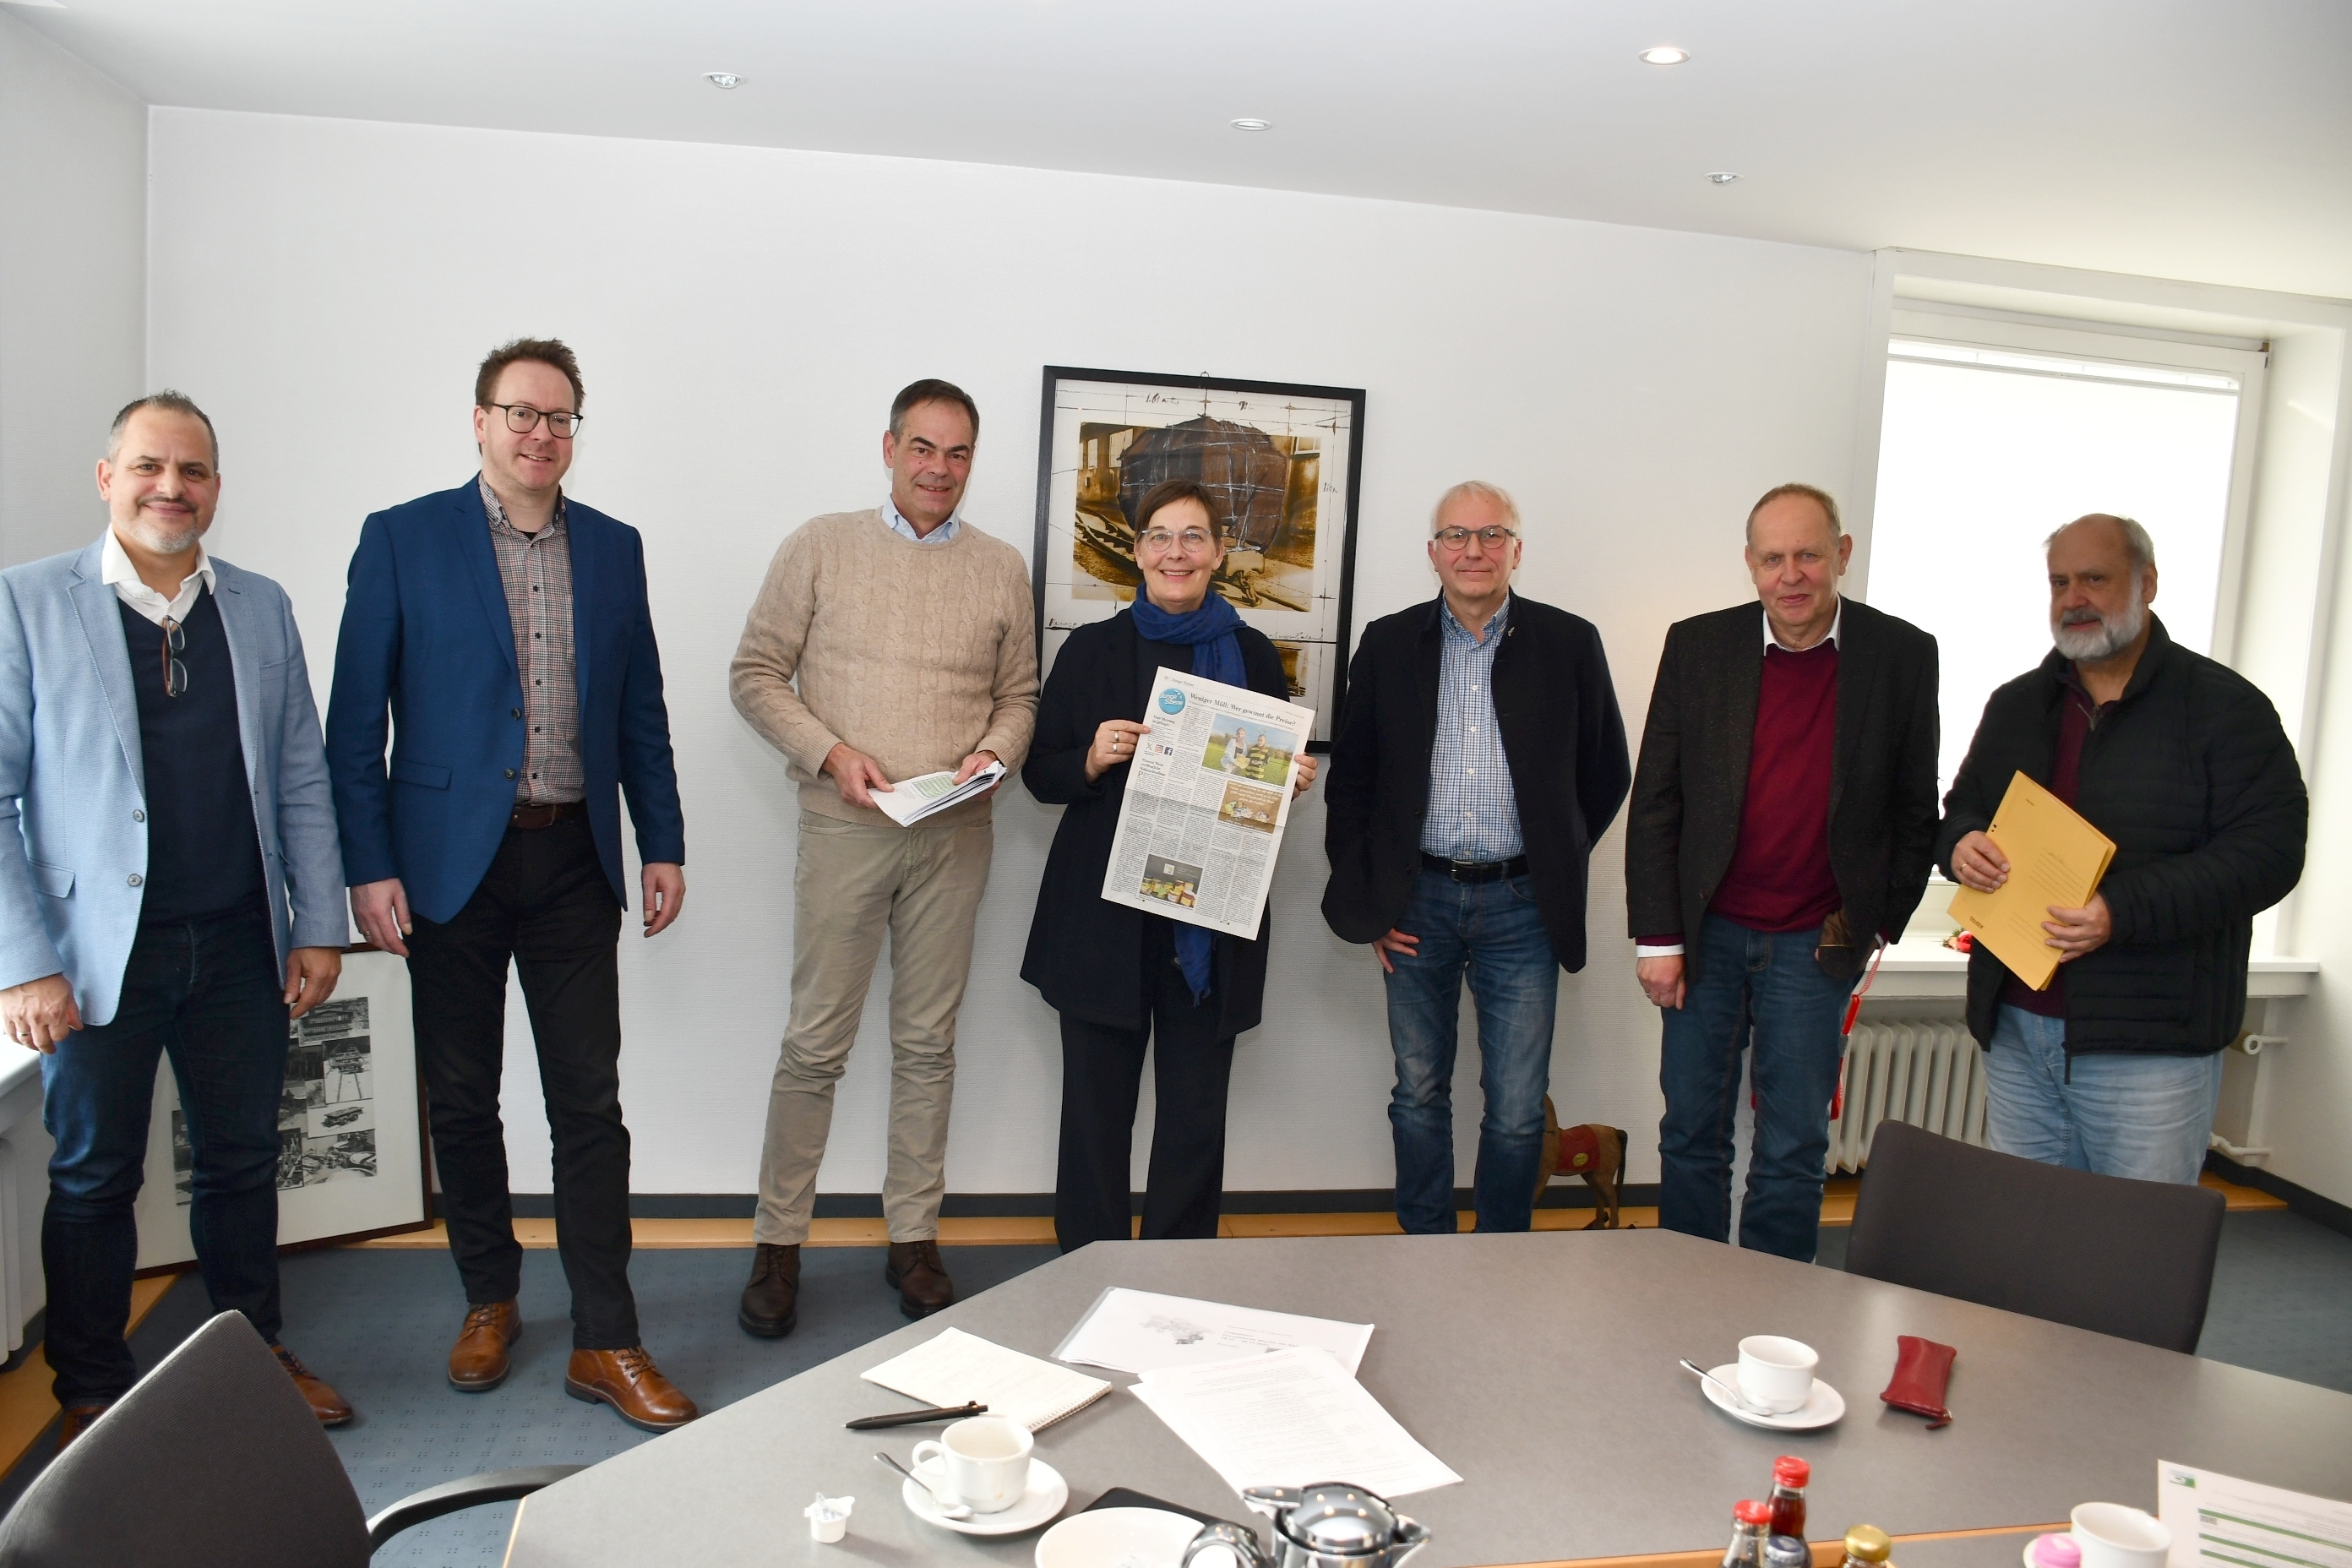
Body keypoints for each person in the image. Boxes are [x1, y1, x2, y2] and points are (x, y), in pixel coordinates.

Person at [325, 339, 695, 1431]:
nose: (542, 433)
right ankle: (489, 1296)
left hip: (574, 855)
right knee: (462, 1097)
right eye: (522, 413)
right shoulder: (401, 539)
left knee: (589, 1103)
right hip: (447, 865)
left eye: (560, 417)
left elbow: (642, 708)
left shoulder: (615, 548)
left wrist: (662, 840)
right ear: (480, 420)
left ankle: (606, 1335)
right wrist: (367, 866)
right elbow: (355, 725)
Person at [0, 393, 351, 1447]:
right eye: (149, 466)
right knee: (93, 1173)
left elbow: (301, 772)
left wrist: (318, 921)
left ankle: (255, 1356)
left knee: (243, 1161)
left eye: (193, 471)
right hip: (95, 956)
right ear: (107, 478)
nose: (172, 487)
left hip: (240, 940)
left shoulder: (258, 604)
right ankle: (92, 1390)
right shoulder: (28, 601)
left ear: (216, 489)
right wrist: (23, 963)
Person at [729, 379, 1037, 1331]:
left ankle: (914, 1236)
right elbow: (754, 674)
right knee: (815, 1044)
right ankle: (779, 1242)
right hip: (847, 827)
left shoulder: (1001, 567)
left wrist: (996, 754)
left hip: (954, 834)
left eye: (958, 453)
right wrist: (831, 753)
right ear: (890, 448)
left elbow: (1020, 696)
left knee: (928, 1045)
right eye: (923, 448)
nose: (939, 469)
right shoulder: (820, 546)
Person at [1938, 514, 2304, 1182]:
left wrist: (2121, 911)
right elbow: (1962, 809)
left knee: (2136, 1237)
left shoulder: (2227, 709)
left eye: (2095, 579)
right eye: (2060, 582)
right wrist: (1961, 844)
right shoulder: (2018, 704)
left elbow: (2270, 854)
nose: (2074, 598)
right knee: (2026, 1228)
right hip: (2017, 1027)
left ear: (2147, 584)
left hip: (2153, 1042)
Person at [1626, 482, 1937, 1262]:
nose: (1790, 575)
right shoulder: (1699, 647)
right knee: (1690, 1131)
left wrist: (1879, 922)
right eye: (1772, 559)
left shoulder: (1901, 655)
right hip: (1707, 936)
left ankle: (1774, 1304)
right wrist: (1658, 940)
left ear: (1843, 554)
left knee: (1794, 1145)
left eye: (1808, 555)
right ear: (1750, 563)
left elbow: (1915, 806)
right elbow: (1657, 800)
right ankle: (1687, 1289)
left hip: (1816, 941)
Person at [1322, 481, 1630, 1233]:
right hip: (1416, 902)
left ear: (1517, 551)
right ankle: (1426, 1247)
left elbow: (1606, 772)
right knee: (1418, 1091)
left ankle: (1501, 1256)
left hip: (1523, 907)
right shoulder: (1388, 644)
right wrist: (1369, 902)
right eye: (1456, 535)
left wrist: (1555, 855)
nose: (1474, 550)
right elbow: (1352, 782)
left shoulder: (1569, 642)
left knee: (1519, 1107)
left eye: (1492, 535)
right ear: (1433, 552)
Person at [1021, 480, 1317, 1251]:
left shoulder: (1253, 653)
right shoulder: (1090, 650)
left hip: (1209, 922)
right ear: (1138, 551)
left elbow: (1254, 783)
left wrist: (1283, 780)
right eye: (1160, 535)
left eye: (1193, 537)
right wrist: (1089, 758)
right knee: (1095, 1115)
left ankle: (1178, 1274)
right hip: (1102, 921)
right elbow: (1040, 774)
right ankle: (1088, 1265)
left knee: (1194, 1116)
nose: (1175, 551)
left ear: (1218, 554)